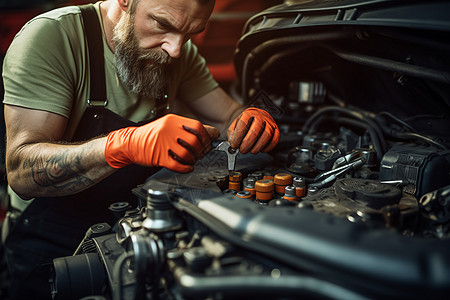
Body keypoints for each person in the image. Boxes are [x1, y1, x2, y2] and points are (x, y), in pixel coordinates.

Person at [1, 0, 280, 298]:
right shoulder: (53, 37)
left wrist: (253, 119)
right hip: (50, 247)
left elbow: (228, 117)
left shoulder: (179, 52)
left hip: (135, 231)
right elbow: (21, 173)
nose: (174, 49)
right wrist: (124, 145)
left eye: (189, 33)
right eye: (162, 24)